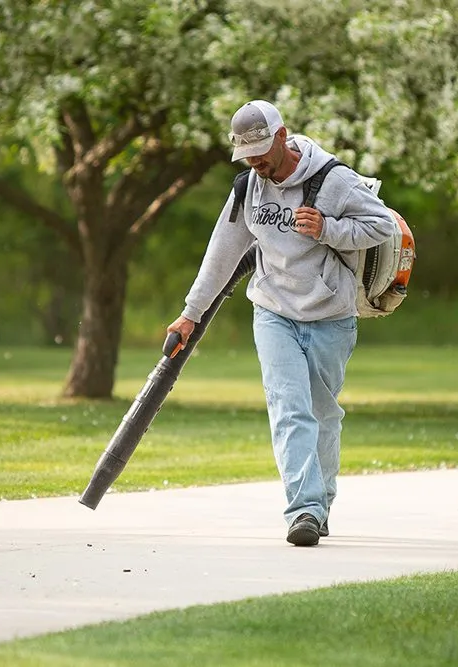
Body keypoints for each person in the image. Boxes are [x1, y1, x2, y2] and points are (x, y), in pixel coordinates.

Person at [166, 100, 397, 546]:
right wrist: (190, 313)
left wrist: (328, 228)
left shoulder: (333, 179)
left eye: (260, 151)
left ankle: (320, 502)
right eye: (245, 154)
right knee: (289, 408)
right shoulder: (247, 187)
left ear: (281, 135)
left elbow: (382, 226)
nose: (255, 162)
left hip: (330, 313)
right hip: (272, 309)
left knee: (323, 414)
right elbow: (221, 254)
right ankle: (304, 510)